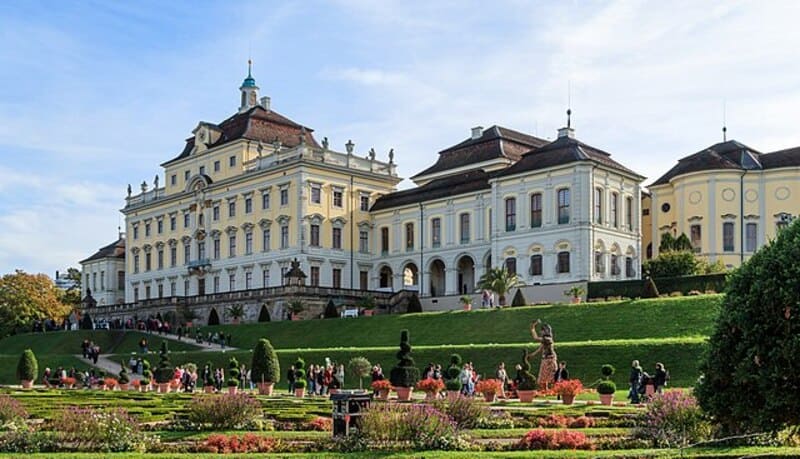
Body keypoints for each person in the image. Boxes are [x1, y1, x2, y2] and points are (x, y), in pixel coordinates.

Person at [529, 319, 558, 390]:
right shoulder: (545, 340)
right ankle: (546, 390)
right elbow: (540, 349)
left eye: (542, 330)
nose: (540, 332)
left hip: (549, 359)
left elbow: (535, 338)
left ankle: (554, 390)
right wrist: (532, 355)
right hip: (545, 359)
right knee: (543, 377)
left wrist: (533, 327)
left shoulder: (547, 339)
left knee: (550, 376)